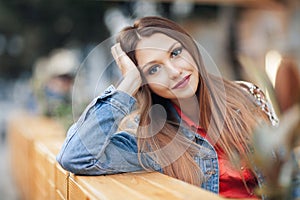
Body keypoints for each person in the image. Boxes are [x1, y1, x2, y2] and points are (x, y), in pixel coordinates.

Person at [57, 16, 279, 199]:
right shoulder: (151, 141)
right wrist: (128, 85)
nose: (173, 71)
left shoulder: (246, 97)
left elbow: (288, 173)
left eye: (175, 53)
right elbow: (75, 156)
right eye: (154, 70)